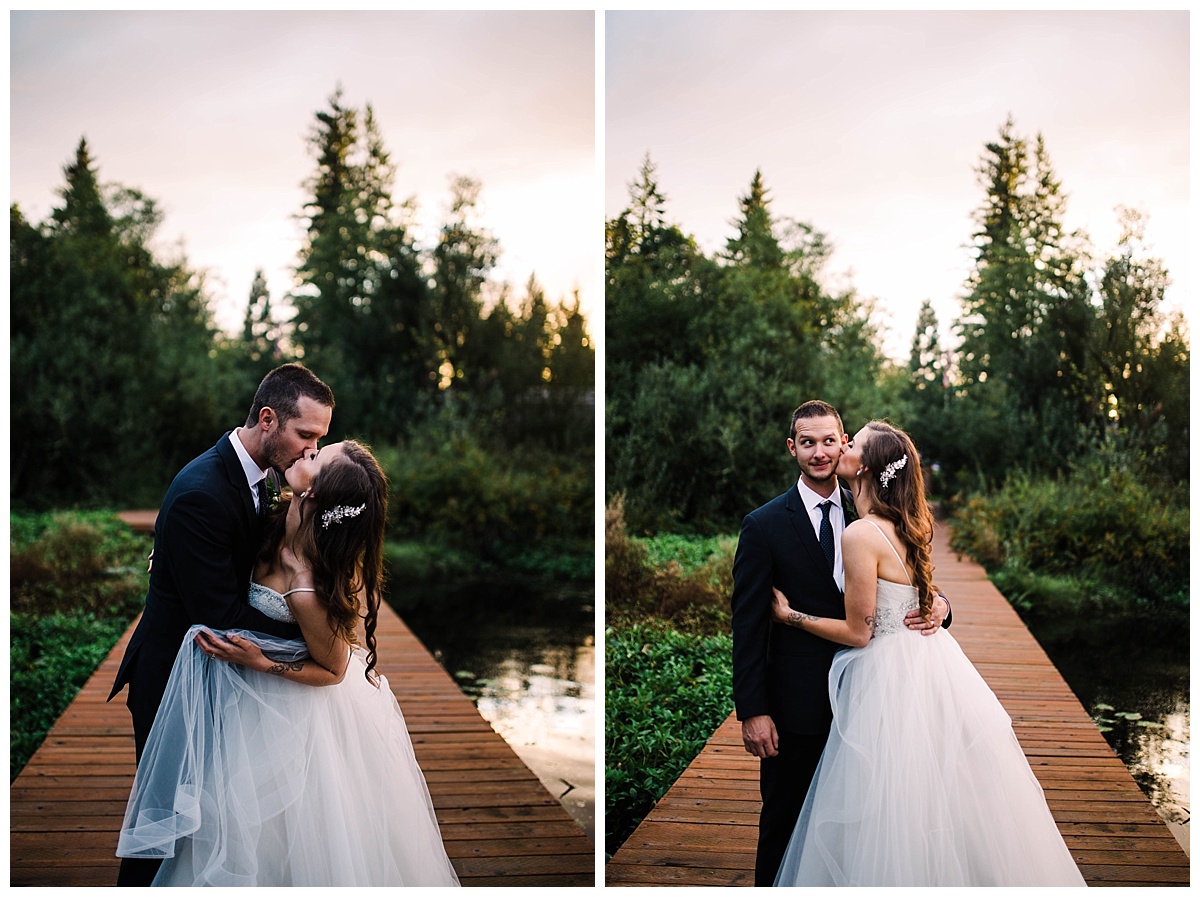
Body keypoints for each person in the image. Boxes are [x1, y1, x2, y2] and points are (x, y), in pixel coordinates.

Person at [116, 439, 460, 886]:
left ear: (315, 492)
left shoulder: (306, 582)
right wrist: (174, 556)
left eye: (316, 457)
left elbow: (335, 670)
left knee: (281, 829)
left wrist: (264, 663)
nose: (305, 453)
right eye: (312, 446)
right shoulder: (275, 514)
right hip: (242, 701)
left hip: (290, 707)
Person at [770, 421, 1086, 886]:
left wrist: (788, 616)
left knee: (886, 797)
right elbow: (914, 595)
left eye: (850, 442)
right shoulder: (906, 522)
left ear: (867, 466)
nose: (841, 447)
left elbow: (860, 633)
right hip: (928, 664)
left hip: (887, 675)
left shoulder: (860, 534)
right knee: (932, 792)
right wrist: (934, 603)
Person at [107, 362, 334, 886]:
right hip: (172, 681)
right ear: (269, 419)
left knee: (205, 817)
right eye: (306, 435)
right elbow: (223, 615)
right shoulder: (202, 491)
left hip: (214, 673)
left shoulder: (258, 476)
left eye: (320, 438)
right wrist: (314, 639)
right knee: (163, 822)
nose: (311, 451)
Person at [730, 400, 951, 887]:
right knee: (785, 823)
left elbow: (908, 582)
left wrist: (942, 608)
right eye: (807, 442)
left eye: (830, 440)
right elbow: (747, 626)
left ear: (845, 443)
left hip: (871, 710)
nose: (820, 452)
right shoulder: (763, 526)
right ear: (793, 448)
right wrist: (753, 710)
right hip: (798, 707)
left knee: (859, 830)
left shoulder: (872, 508)